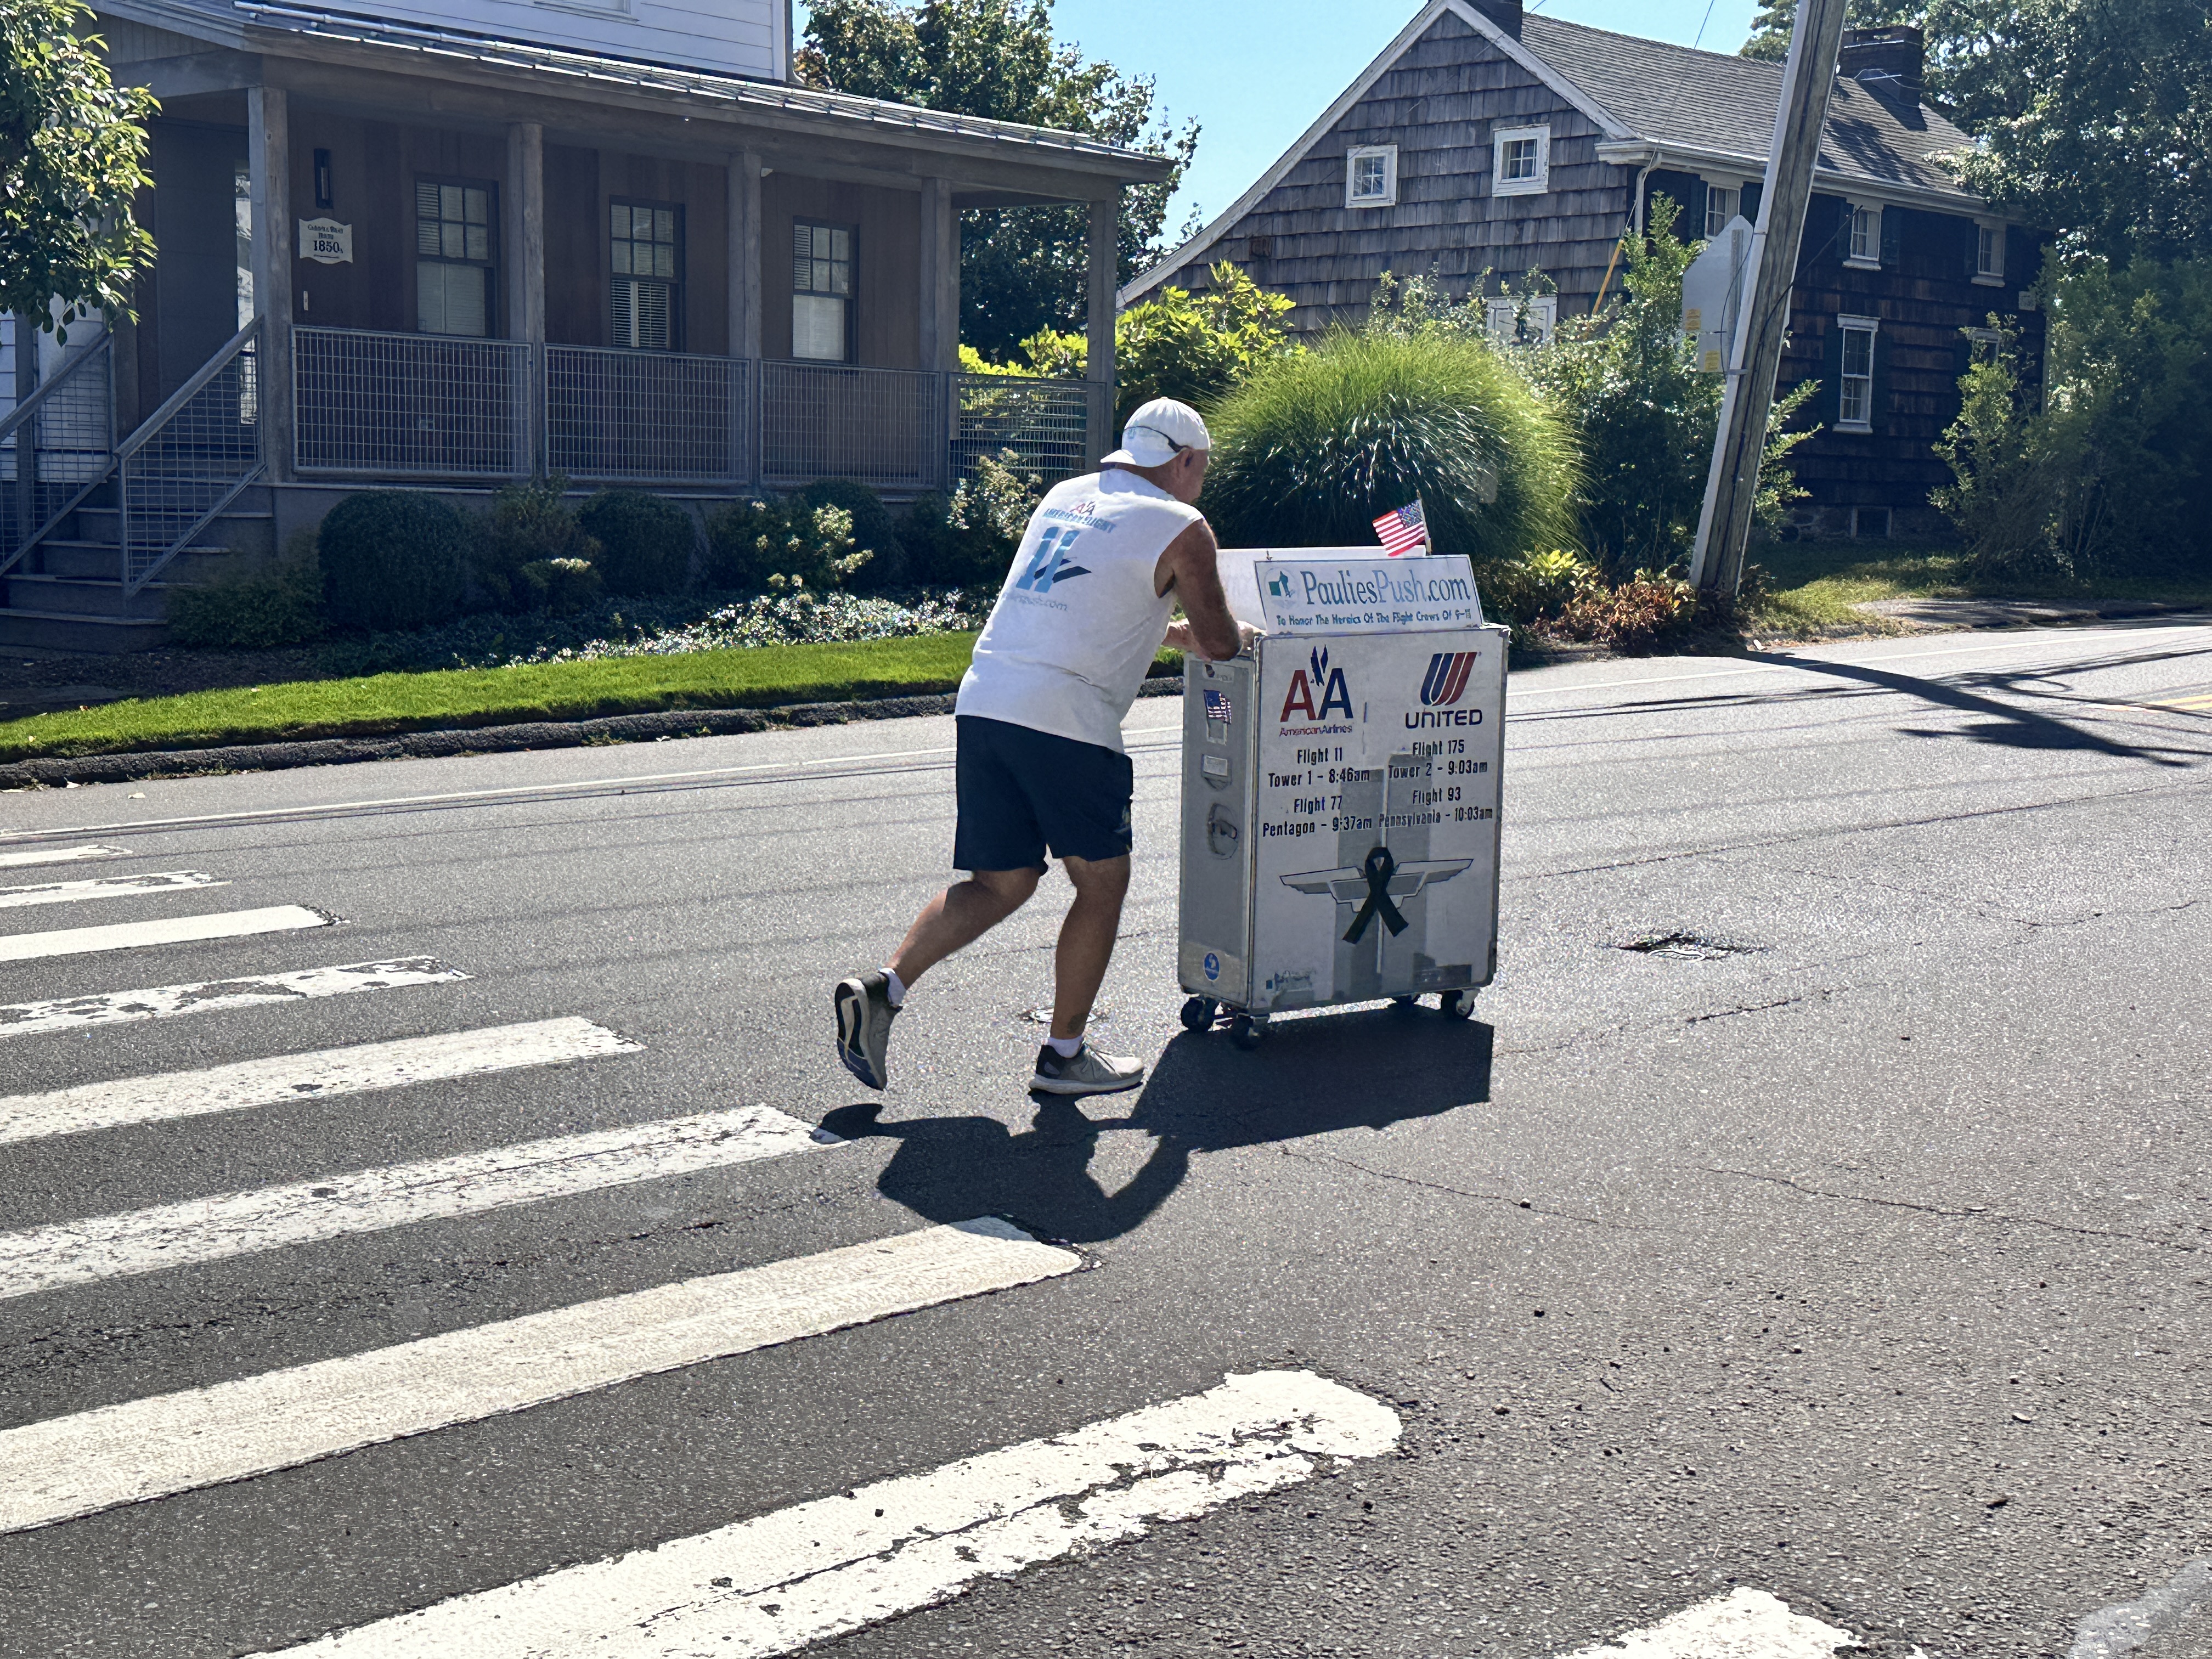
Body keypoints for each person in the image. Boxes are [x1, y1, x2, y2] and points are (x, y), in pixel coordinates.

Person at [835, 397, 1256, 1098]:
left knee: (1002, 881)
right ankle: (1063, 1056)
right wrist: (1249, 637)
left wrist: (1169, 635)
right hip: (1067, 719)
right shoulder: (1184, 526)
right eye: (1202, 470)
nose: (1200, 483)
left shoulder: (1068, 496)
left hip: (988, 697)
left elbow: (1092, 605)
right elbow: (1219, 643)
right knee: (1101, 882)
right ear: (1183, 461)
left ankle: (885, 988)